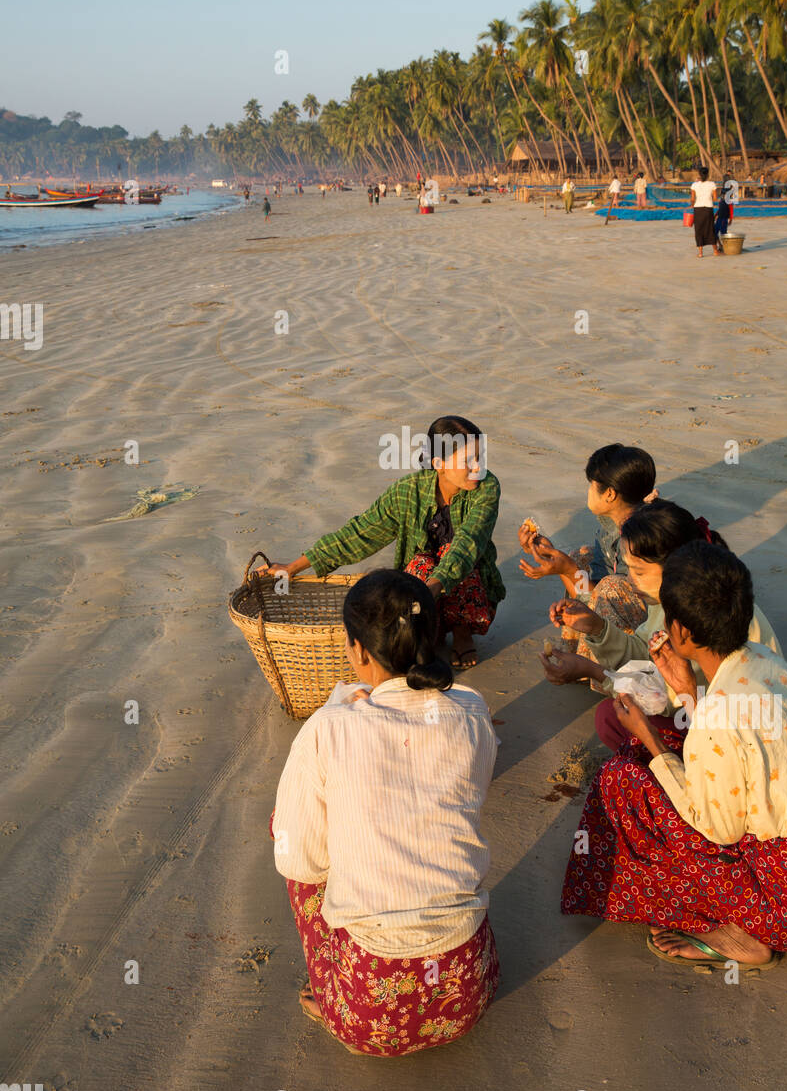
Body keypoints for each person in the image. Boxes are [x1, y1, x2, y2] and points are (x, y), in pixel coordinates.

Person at [560, 541, 787, 966]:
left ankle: (741, 935)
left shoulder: (717, 715)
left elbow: (716, 830)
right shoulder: (762, 659)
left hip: (786, 906)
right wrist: (684, 691)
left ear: (680, 632)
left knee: (622, 778)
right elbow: (738, 746)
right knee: (648, 750)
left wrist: (653, 738)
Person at [272, 568, 500, 1055]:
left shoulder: (328, 727)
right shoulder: (473, 712)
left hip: (370, 1014)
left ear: (357, 650)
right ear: (432, 634)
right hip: (467, 991)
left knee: (288, 836)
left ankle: (335, 992)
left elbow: (301, 865)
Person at [260, 415, 504, 671]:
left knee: (453, 559)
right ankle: (430, 632)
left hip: (464, 586)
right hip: (423, 589)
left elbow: (468, 544)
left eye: (481, 457)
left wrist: (428, 591)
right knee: (419, 566)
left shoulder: (487, 488)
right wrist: (292, 568)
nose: (478, 467)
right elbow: (360, 533)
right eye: (468, 460)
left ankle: (462, 631)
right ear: (439, 463)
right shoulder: (408, 491)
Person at [541, 499, 781, 747]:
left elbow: (669, 697)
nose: (631, 581)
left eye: (640, 572)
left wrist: (592, 671)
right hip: (709, 709)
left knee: (610, 718)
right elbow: (647, 654)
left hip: (738, 733)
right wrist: (596, 628)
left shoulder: (699, 614)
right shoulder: (673, 596)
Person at [518, 443, 657, 662]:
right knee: (580, 557)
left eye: (592, 486)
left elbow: (607, 594)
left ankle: (608, 669)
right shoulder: (611, 526)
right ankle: (582, 654)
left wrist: (568, 570)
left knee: (608, 583)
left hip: (654, 627)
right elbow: (590, 595)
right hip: (622, 605)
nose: (588, 492)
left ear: (609, 494)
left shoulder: (640, 537)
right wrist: (557, 559)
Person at [690, 166, 719, 257]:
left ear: (699, 174)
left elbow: (692, 199)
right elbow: (715, 198)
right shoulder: (712, 184)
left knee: (698, 230)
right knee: (710, 229)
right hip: (708, 209)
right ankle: (715, 251)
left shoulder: (694, 185)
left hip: (698, 209)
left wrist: (692, 205)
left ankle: (700, 253)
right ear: (708, 174)